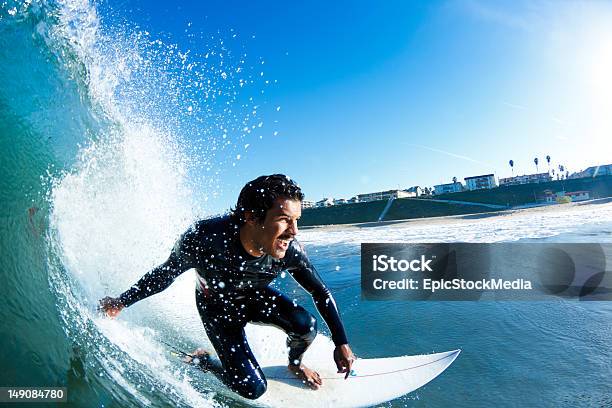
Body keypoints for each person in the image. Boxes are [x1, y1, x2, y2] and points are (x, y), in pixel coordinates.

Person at [99, 174, 355, 399]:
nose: (294, 231)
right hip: (217, 308)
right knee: (252, 389)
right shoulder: (205, 239)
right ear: (251, 217)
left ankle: (295, 364)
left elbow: (321, 291)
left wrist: (340, 342)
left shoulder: (290, 252)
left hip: (255, 299)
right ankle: (204, 362)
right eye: (285, 220)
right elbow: (165, 274)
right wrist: (121, 302)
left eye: (296, 220)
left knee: (306, 326)